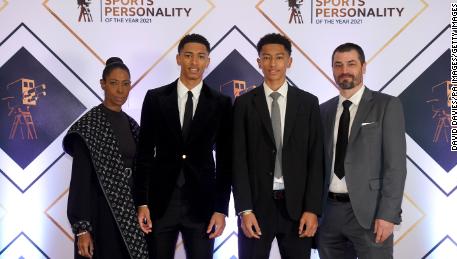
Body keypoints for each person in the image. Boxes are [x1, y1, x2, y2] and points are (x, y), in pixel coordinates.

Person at [134, 34, 232, 259]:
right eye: (188, 56)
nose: (194, 62)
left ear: (208, 61)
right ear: (178, 59)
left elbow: (226, 161)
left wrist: (220, 209)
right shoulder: (155, 98)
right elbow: (144, 154)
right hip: (161, 202)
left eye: (200, 57)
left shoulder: (221, 103)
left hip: (202, 205)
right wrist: (142, 202)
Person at [232, 33, 324, 259]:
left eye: (279, 58)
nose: (273, 64)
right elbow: (238, 161)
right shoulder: (244, 103)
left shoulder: (308, 103)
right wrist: (245, 209)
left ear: (289, 61)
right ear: (258, 62)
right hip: (256, 207)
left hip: (297, 209)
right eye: (266, 58)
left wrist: (312, 209)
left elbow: (316, 159)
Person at [318, 42, 407, 259]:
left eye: (351, 64)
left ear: (363, 67)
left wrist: (388, 215)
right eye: (338, 65)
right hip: (328, 214)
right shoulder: (323, 110)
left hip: (371, 214)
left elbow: (395, 167)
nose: (344, 70)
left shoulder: (386, 105)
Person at [63, 57, 148, 259]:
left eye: (126, 84)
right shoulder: (89, 126)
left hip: (130, 215)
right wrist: (82, 229)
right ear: (103, 84)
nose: (120, 90)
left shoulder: (133, 125)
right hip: (100, 214)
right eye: (114, 83)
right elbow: (80, 181)